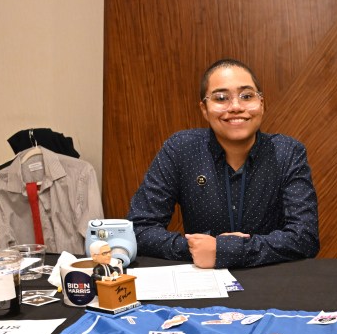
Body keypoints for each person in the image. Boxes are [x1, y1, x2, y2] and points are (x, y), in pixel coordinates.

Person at [126, 58, 320, 269]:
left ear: (261, 104)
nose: (236, 106)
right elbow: (139, 228)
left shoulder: (287, 152)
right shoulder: (181, 149)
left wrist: (227, 249)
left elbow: (306, 237)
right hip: (202, 280)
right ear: (204, 109)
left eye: (247, 96)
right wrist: (194, 248)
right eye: (221, 98)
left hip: (270, 278)